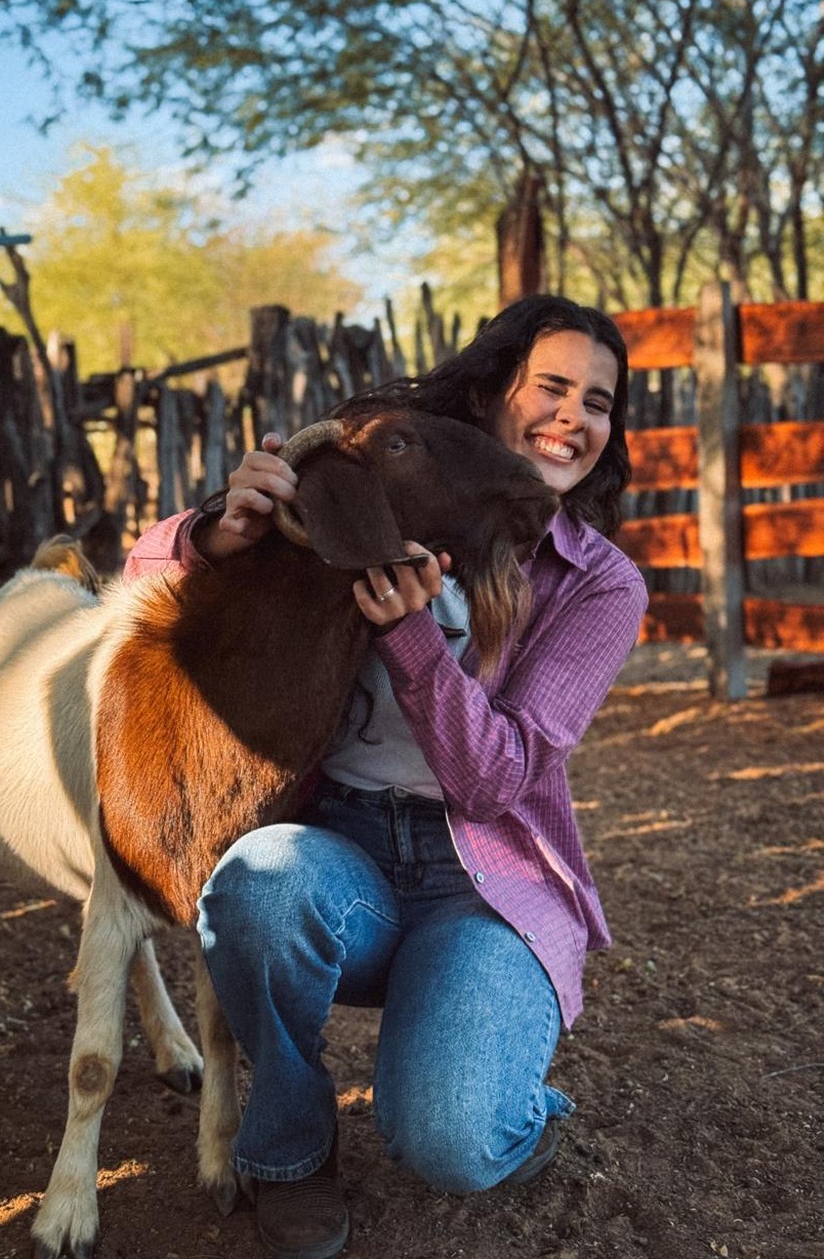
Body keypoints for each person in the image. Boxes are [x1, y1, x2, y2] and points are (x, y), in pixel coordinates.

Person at [124, 294, 648, 1259]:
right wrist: (216, 532)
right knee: (257, 879)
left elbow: (497, 783)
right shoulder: (377, 503)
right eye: (553, 388)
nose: (575, 416)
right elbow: (134, 581)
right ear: (494, 395)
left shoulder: (599, 583)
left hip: (487, 886)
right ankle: (287, 1154)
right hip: (346, 855)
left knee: (453, 1139)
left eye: (601, 402)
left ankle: (509, 1089)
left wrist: (412, 638)